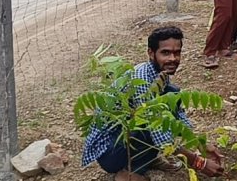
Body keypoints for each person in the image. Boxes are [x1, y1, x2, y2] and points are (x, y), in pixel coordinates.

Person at [81, 27, 225, 180]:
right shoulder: (142, 80)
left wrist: (201, 144)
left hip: (125, 139)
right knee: (153, 121)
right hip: (109, 153)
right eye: (166, 53)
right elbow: (159, 133)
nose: (172, 58)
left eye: (177, 53)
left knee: (171, 95)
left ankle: (145, 160)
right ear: (151, 53)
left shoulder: (160, 77)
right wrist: (198, 162)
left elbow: (179, 117)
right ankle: (126, 174)